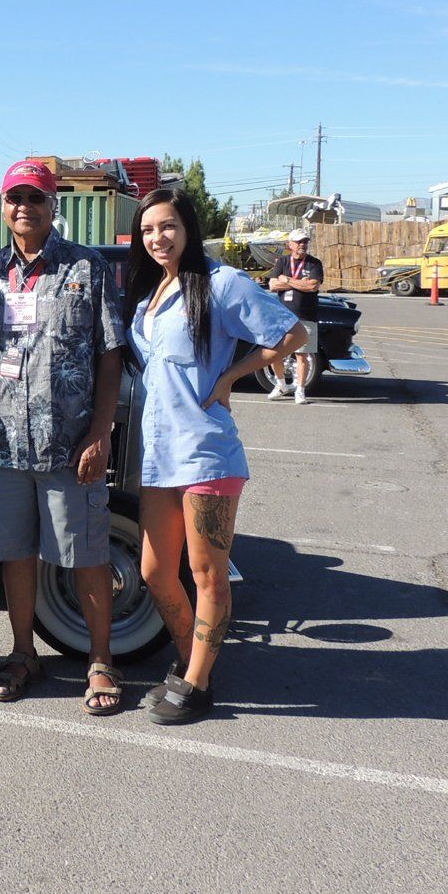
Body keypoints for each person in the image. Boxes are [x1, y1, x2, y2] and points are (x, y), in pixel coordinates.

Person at [123, 187, 307, 725]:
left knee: (207, 574)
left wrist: (230, 376)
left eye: (169, 226)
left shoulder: (221, 284)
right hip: (158, 455)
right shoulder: (152, 296)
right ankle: (194, 658)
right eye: (149, 229)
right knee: (156, 572)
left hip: (207, 453)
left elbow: (292, 332)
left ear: (188, 229)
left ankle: (198, 682)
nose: (158, 237)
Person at [0, 160, 127, 716]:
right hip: (0, 443)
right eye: (15, 198)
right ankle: (22, 652)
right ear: (3, 206)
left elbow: (111, 355)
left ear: (53, 204)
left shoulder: (87, 266)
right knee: (14, 553)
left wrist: (100, 433)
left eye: (35, 197)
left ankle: (101, 660)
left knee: (85, 552)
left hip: (68, 443)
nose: (24, 207)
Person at [266, 228, 324, 404]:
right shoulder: (282, 262)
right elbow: (273, 285)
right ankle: (281, 384)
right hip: (283, 317)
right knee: (275, 354)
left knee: (302, 355)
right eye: (299, 242)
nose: (302, 245)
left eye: (305, 241)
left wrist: (288, 280)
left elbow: (312, 286)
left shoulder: (314, 263)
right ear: (290, 244)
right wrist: (299, 283)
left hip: (306, 316)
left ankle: (300, 390)